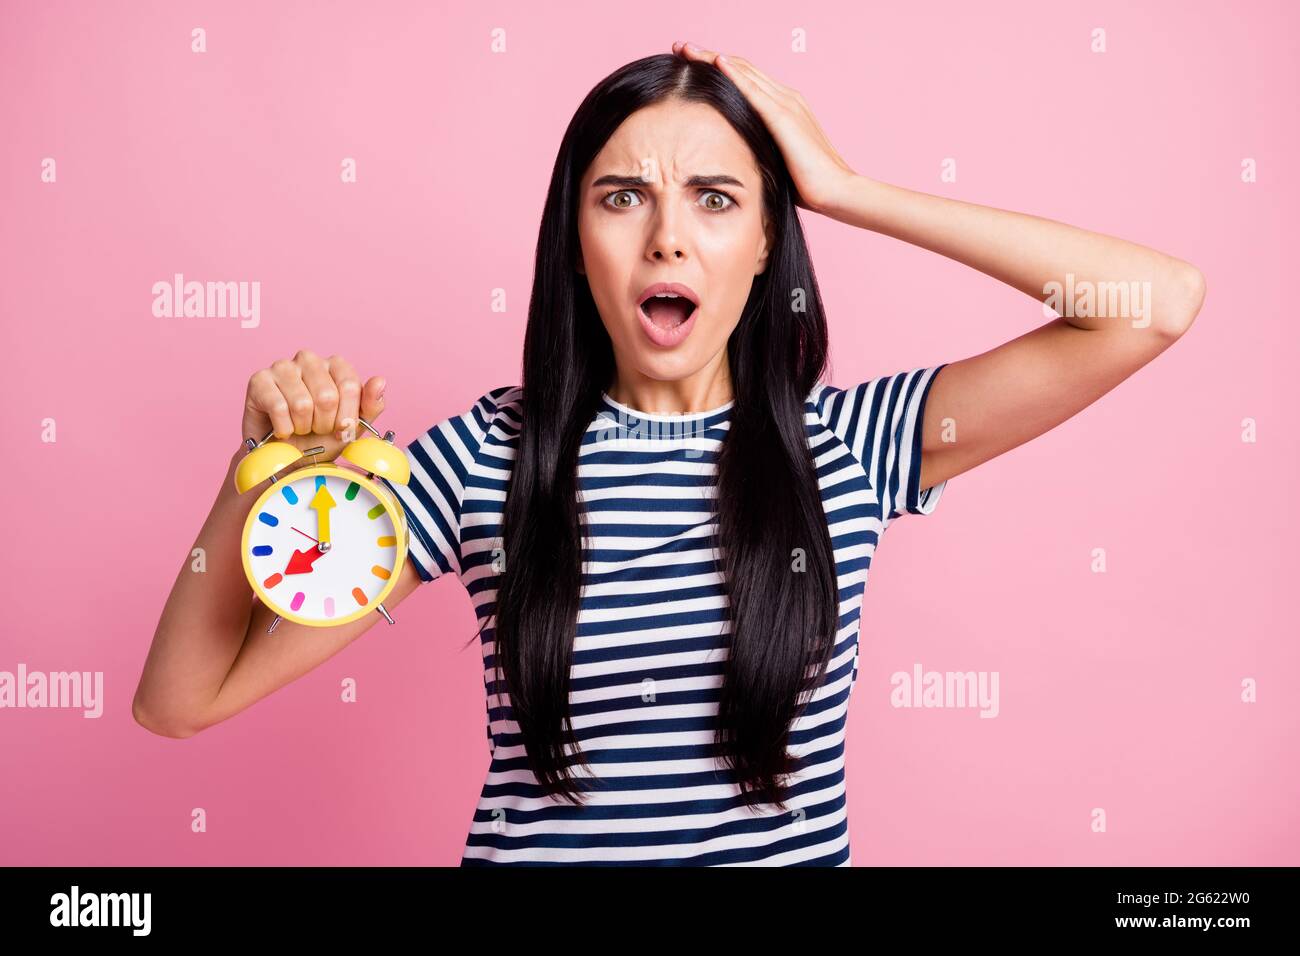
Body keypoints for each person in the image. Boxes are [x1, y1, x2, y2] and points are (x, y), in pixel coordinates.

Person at [134, 45, 1205, 866]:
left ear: (765, 246)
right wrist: (254, 475)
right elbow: (180, 700)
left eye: (716, 197)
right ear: (576, 243)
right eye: (621, 196)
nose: (668, 237)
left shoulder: (851, 446)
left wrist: (845, 189)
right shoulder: (481, 460)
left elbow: (1153, 307)